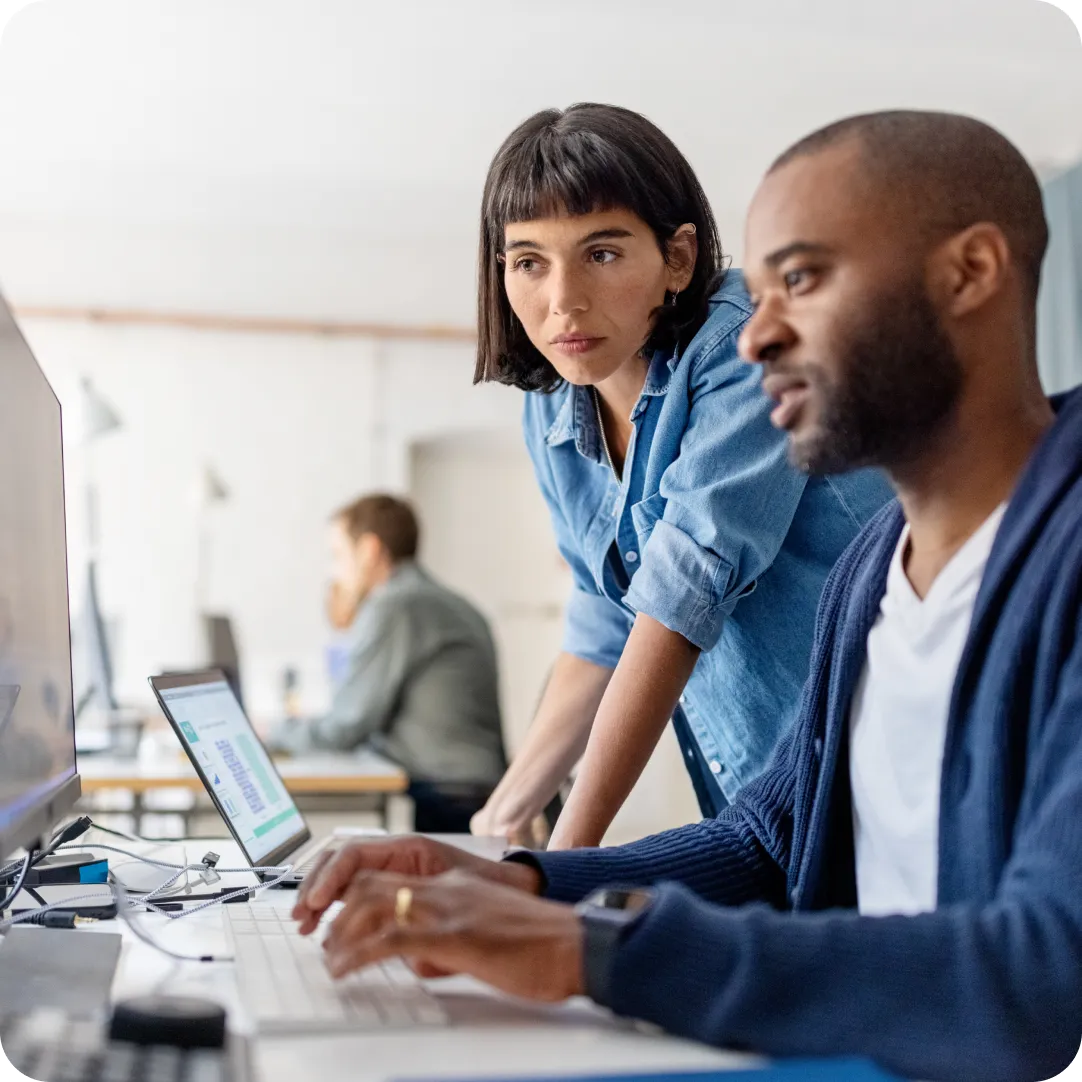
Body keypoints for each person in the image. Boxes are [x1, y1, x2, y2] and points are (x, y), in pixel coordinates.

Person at [288, 111, 1082, 1082]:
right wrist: (517, 876)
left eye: (797, 279)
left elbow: (1038, 972)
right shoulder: (874, 571)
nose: (751, 335)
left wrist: (588, 946)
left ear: (966, 274)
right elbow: (762, 841)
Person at [469, 103, 892, 848]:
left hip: (886, 772)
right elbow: (606, 622)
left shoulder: (748, 348)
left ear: (679, 259)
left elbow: (679, 596)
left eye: (601, 254)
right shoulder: (552, 406)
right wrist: (503, 820)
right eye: (529, 261)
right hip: (766, 803)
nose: (562, 299)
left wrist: (562, 863)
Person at [265, 494, 507, 833]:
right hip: (472, 790)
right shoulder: (443, 600)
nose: (333, 571)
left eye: (337, 555)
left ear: (369, 550)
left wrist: (272, 731)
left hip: (446, 797)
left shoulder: (396, 606)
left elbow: (345, 727)